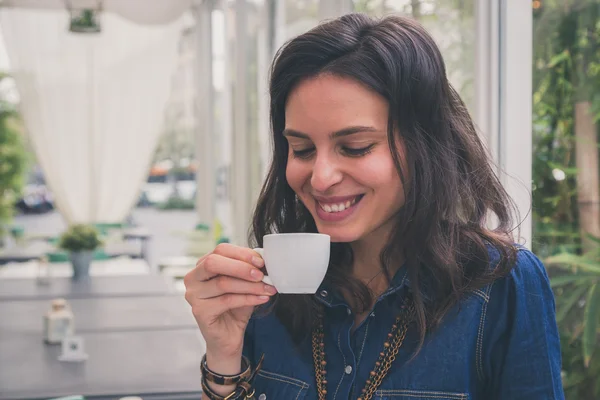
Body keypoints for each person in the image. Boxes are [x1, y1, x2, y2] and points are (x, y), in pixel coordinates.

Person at [184, 13, 564, 400]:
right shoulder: (269, 292)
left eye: (355, 147)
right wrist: (223, 356)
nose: (320, 177)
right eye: (302, 149)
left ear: (423, 146)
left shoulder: (500, 285)